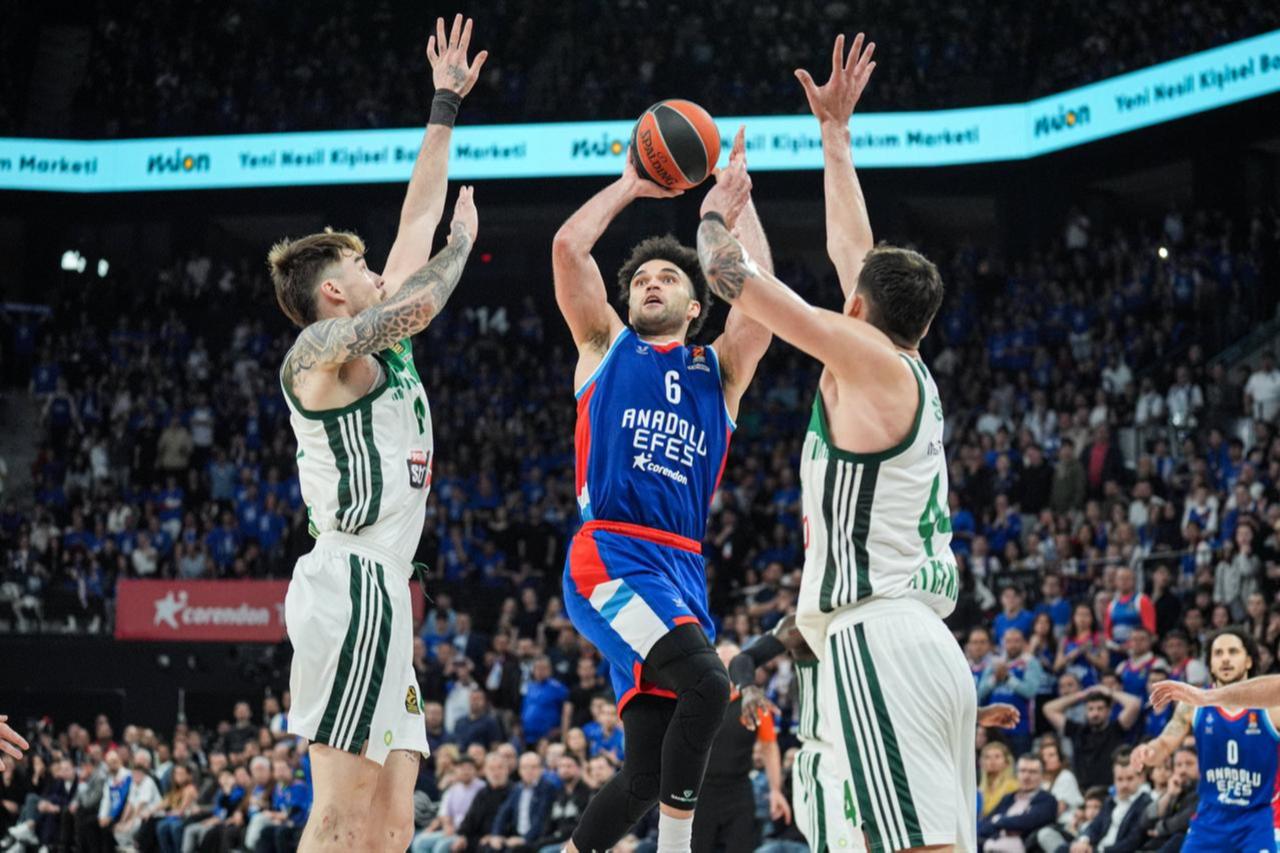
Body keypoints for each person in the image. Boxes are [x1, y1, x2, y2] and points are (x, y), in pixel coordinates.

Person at [697, 32, 977, 851]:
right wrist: (834, 137)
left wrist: (719, 208)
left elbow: (732, 280)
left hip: (877, 635)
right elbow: (851, 250)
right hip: (917, 635)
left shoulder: (867, 357)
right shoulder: (897, 362)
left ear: (858, 311)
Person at [267, 15, 486, 853]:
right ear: (333, 295)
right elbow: (422, 290)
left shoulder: (379, 336)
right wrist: (462, 247)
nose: (377, 273)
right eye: (360, 270)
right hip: (351, 579)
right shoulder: (317, 356)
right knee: (342, 809)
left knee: (395, 817)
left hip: (387, 589)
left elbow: (417, 213)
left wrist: (444, 105)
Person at [551, 107, 773, 850]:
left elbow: (764, 303)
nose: (649, 283)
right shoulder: (604, 346)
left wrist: (737, 206)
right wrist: (627, 185)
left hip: (681, 567)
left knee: (645, 771)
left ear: (696, 302)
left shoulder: (719, 370)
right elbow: (568, 247)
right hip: (610, 554)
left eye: (666, 276)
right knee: (710, 686)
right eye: (640, 278)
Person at [1136, 628, 1279, 852]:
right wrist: (1149, 752)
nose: (1225, 659)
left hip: (1263, 818)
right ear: (1210, 664)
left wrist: (1207, 697)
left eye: (1233, 652)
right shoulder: (1191, 706)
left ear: (1249, 661)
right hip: (1210, 820)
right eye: (1218, 653)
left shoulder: (1271, 706)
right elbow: (1165, 743)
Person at [689, 641, 791, 853]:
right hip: (701, 791)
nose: (727, 666)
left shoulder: (753, 702)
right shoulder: (696, 699)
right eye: (722, 660)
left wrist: (775, 790)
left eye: (733, 661)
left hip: (738, 790)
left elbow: (769, 747)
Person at [1043, 686, 1141, 790]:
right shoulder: (1077, 730)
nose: (1095, 713)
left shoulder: (1116, 728)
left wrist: (1110, 692)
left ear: (1108, 711)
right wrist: (1081, 695)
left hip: (1110, 790)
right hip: (1083, 791)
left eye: (1100, 708)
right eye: (1090, 709)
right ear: (1085, 710)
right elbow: (1049, 709)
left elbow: (1134, 704)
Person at [1068, 750, 1151, 853]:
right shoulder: (1110, 801)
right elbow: (1095, 826)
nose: (1124, 785)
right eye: (1120, 779)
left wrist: (1097, 851)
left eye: (1129, 779)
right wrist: (1083, 841)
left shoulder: (1145, 804)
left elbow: (1132, 842)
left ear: (1141, 778)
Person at [977, 754, 1057, 851]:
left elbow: (1027, 822)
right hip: (990, 848)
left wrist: (999, 820)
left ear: (1042, 776)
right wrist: (1005, 824)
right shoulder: (1008, 798)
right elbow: (985, 825)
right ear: (1017, 774)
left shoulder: (1047, 800)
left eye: (1033, 772)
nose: (1027, 776)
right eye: (1023, 771)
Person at [480, 752, 554, 853]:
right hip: (515, 836)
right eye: (525, 767)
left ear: (541, 769)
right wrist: (496, 835)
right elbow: (503, 813)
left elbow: (541, 819)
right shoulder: (517, 789)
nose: (529, 771)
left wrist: (524, 839)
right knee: (488, 849)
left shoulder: (547, 789)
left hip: (536, 839)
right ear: (519, 770)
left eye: (533, 767)